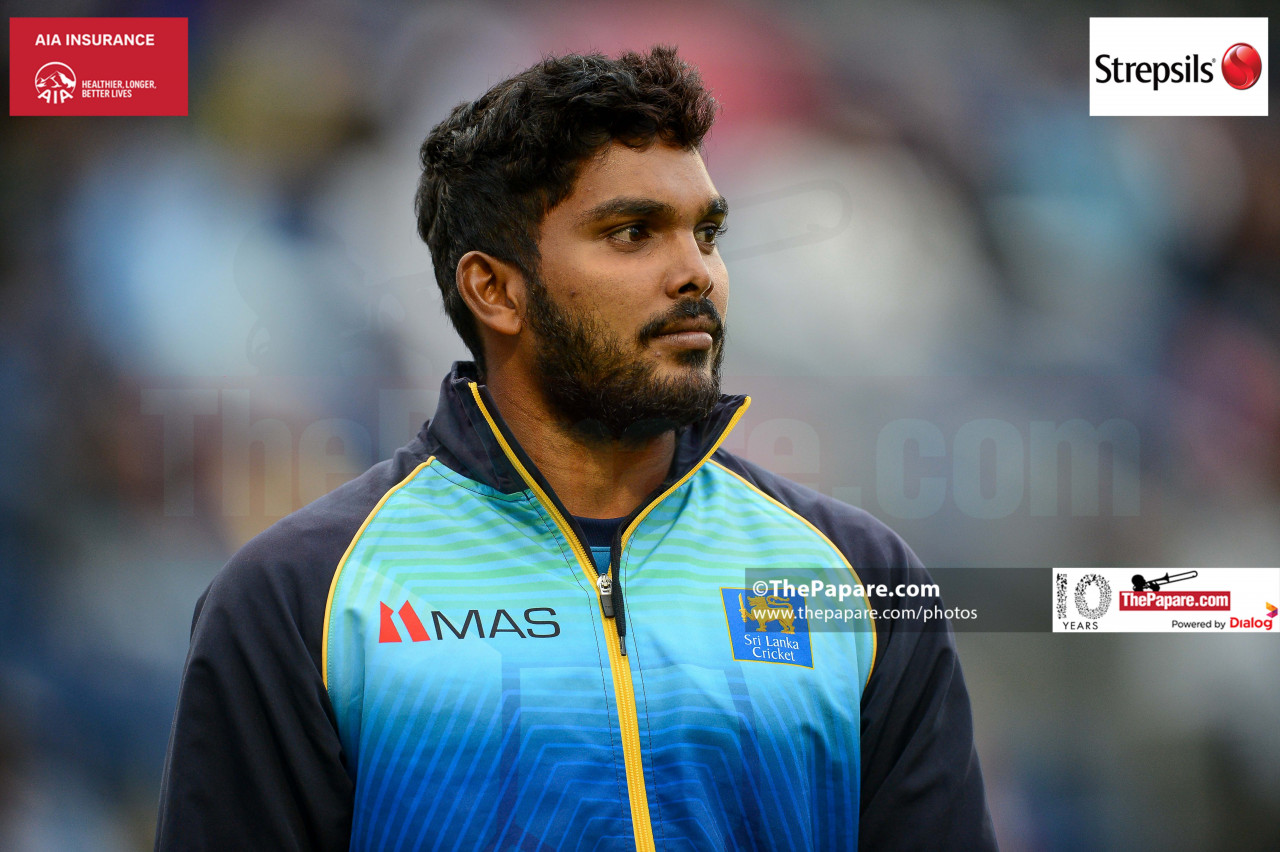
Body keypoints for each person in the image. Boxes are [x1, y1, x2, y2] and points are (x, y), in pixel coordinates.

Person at [155, 45, 996, 851]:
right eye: (633, 232)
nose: (696, 273)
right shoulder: (299, 597)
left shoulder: (862, 578)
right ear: (495, 289)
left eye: (706, 233)